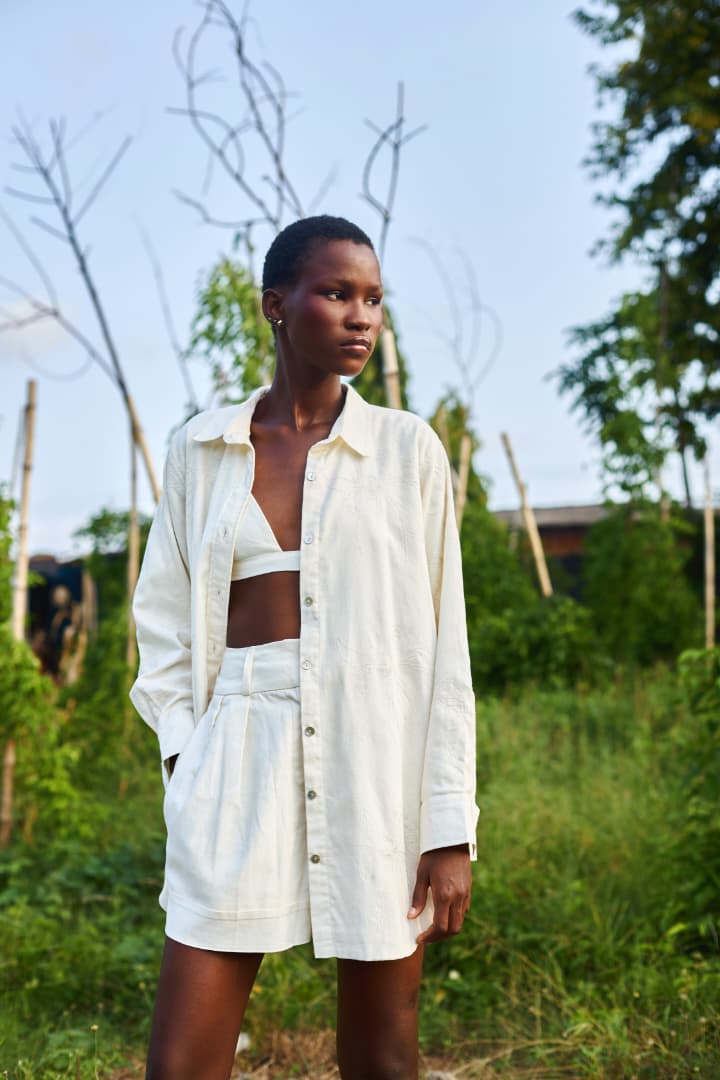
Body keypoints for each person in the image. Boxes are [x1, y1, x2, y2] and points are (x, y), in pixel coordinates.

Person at [130, 215, 478, 1080]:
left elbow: (447, 657)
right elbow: (165, 628)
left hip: (377, 760)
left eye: (373, 299)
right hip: (235, 752)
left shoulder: (407, 452)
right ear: (275, 306)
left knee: (384, 1059)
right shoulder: (202, 451)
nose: (361, 316)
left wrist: (447, 827)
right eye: (336, 293)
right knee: (180, 1065)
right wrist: (186, 762)